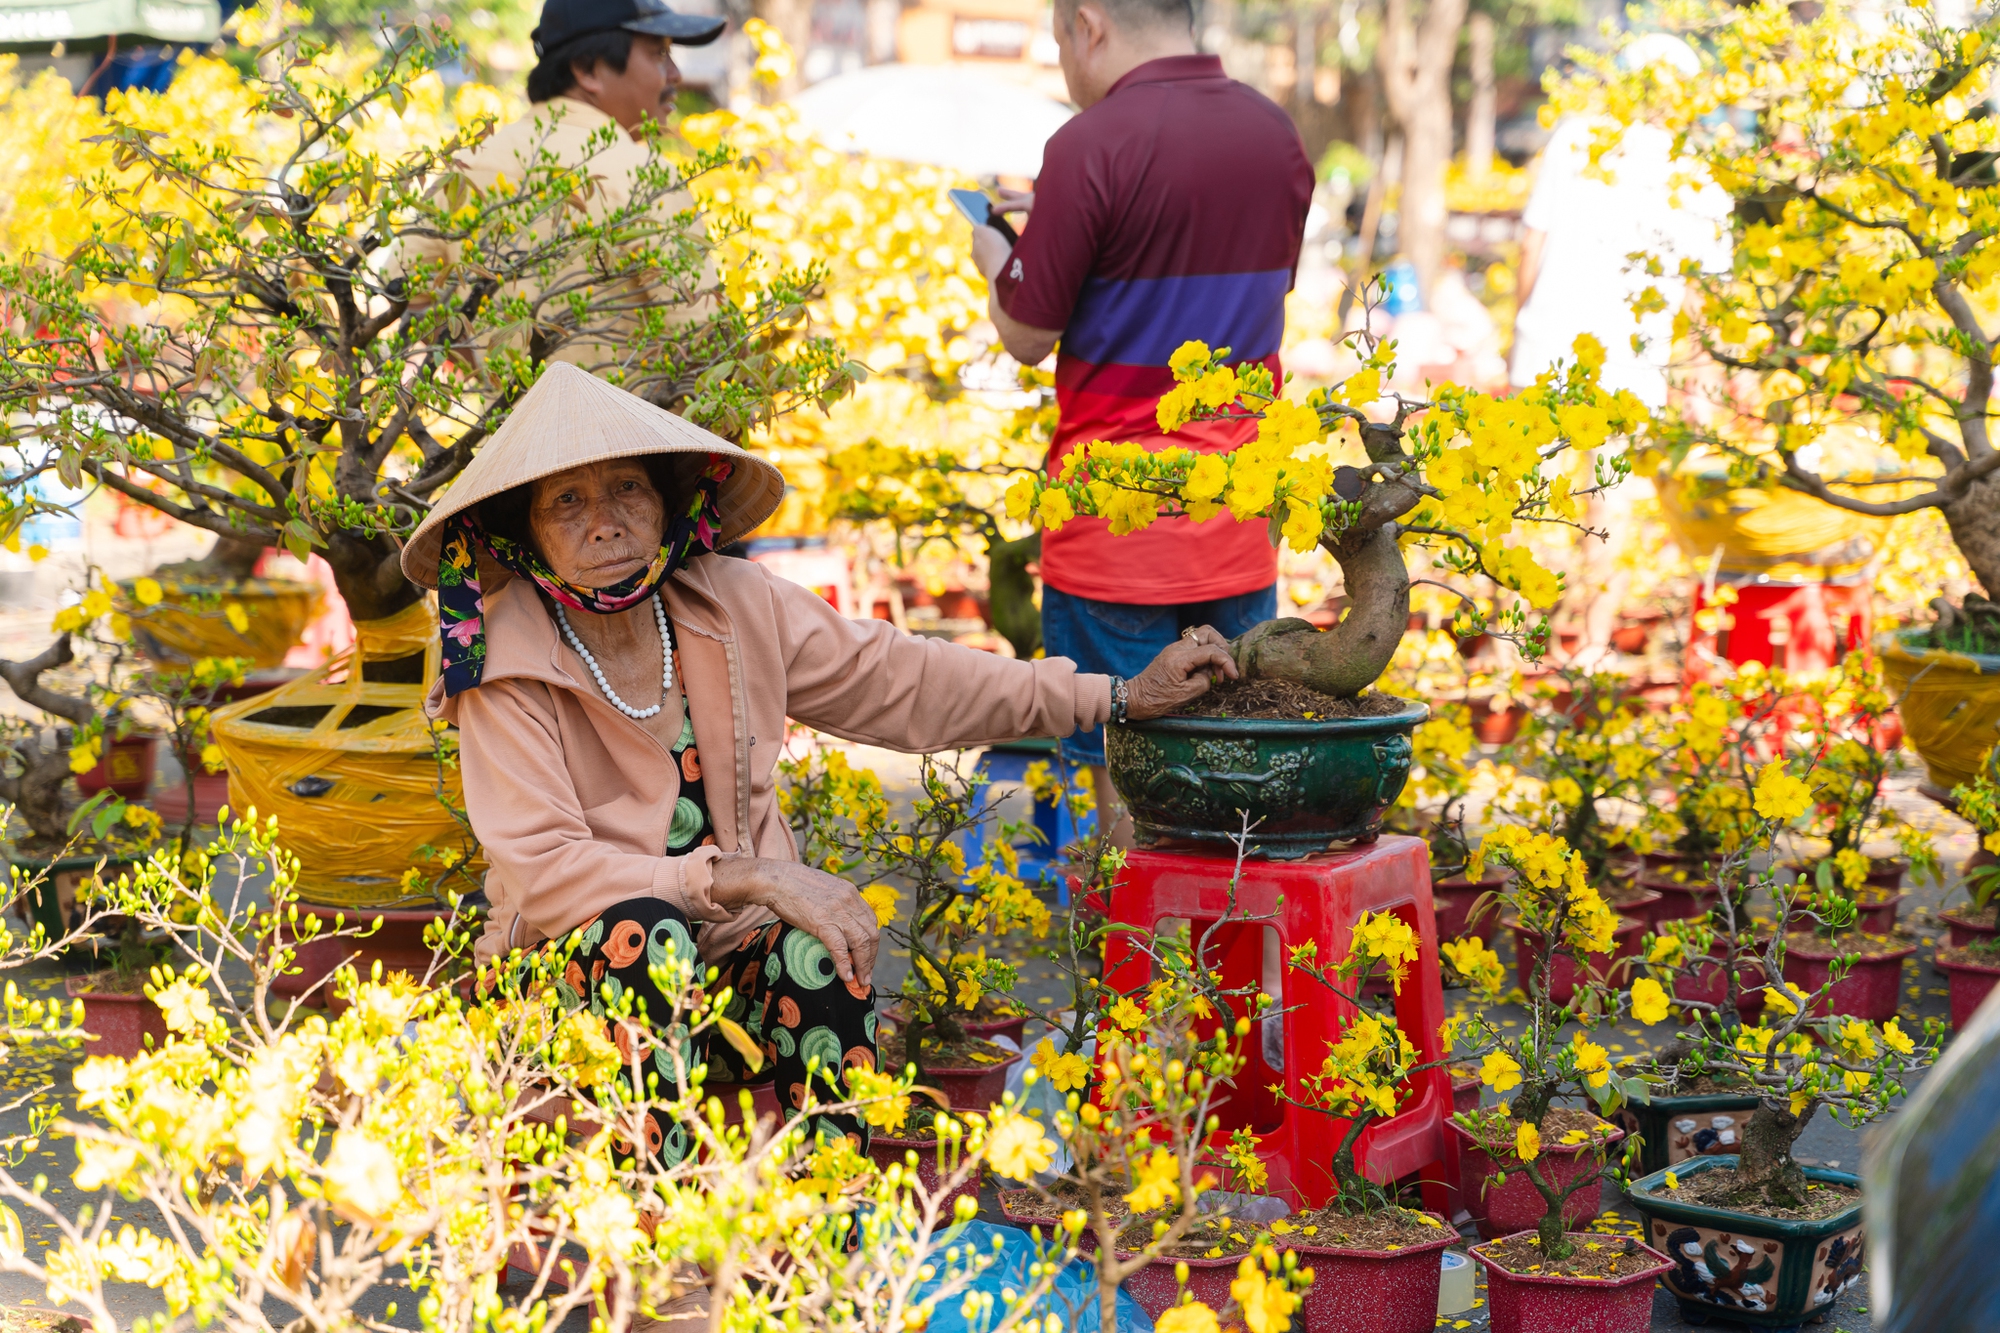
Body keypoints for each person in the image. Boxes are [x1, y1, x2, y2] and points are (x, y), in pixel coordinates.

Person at [401, 362, 1236, 1161]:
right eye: (567, 501)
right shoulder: (498, 665)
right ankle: (662, 1231)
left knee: (813, 948)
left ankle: (827, 1219)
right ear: (524, 533)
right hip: (572, 1002)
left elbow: (910, 679)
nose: (605, 520)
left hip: (726, 990)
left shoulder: (733, 603)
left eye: (627, 487)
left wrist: (1115, 695)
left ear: (666, 502)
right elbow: (548, 872)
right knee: (644, 932)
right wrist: (752, 876)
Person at [965, 0, 1313, 839]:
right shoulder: (1277, 136)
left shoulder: (1089, 145)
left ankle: (1141, 965)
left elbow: (1027, 332)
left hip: (1111, 530)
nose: (1065, 64)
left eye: (1057, 43)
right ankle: (1244, 964)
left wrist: (992, 254)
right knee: (1244, 773)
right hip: (1234, 521)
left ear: (1088, 23)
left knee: (1129, 782)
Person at [391, 0, 725, 358]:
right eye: (658, 54)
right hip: (622, 416)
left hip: (504, 416)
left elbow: (404, 294)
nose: (675, 75)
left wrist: (500, 379)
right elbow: (701, 341)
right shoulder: (643, 175)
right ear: (587, 70)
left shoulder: (470, 164)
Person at [1508, 33, 1732, 409]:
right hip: (1635, 362)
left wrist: (1519, 326)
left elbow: (1531, 245)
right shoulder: (1699, 173)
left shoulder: (1575, 139)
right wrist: (1703, 370)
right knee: (1619, 469)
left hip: (1546, 345)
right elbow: (1705, 289)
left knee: (1532, 464)